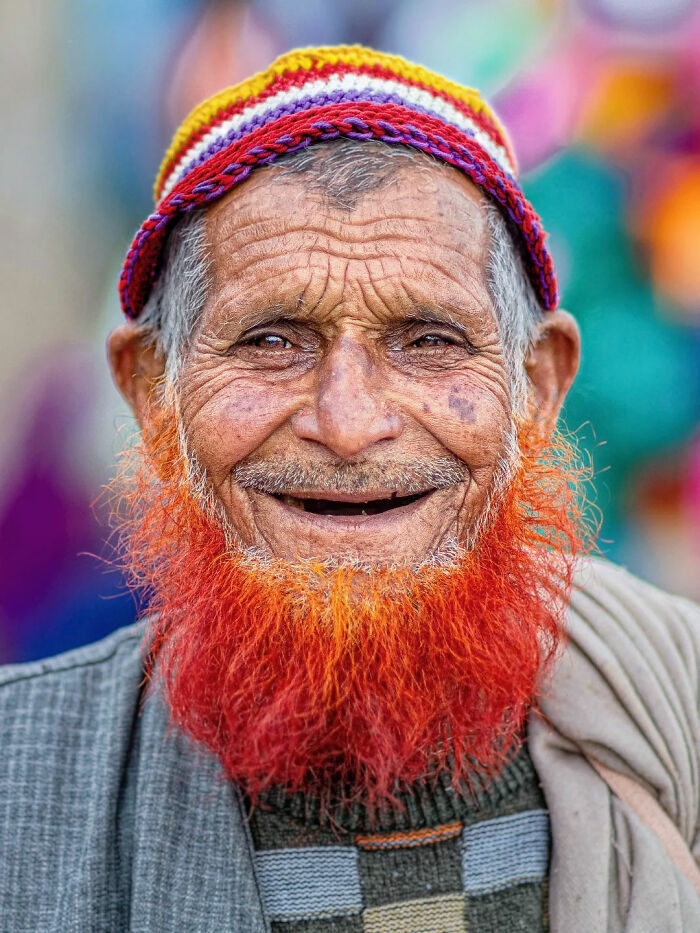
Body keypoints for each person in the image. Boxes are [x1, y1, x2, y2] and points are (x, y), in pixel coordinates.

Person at [1, 46, 698, 933]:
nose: (349, 421)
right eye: (271, 341)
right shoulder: (20, 776)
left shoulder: (678, 705)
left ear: (539, 389)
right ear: (152, 393)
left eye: (429, 340)